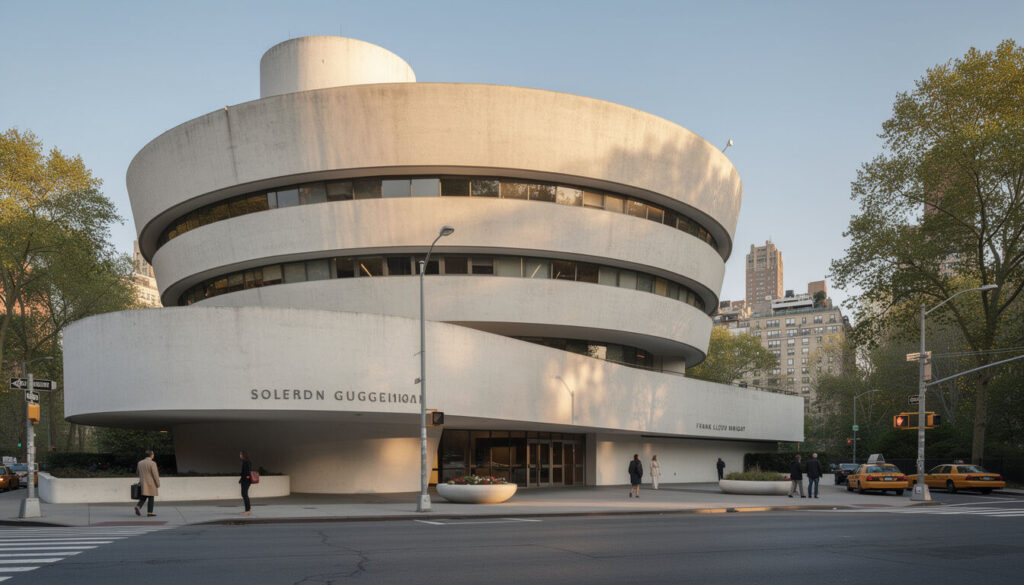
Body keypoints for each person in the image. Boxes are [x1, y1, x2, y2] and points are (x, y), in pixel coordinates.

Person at [134, 450, 160, 516]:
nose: (153, 455)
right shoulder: (152, 463)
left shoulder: (140, 463)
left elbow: (137, 473)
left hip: (143, 482)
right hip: (151, 483)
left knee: (144, 496)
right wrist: (158, 483)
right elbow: (155, 475)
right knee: (151, 497)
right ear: (151, 455)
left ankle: (138, 507)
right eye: (153, 454)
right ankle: (149, 513)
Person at [239, 450, 253, 515]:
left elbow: (247, 472)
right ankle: (248, 509)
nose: (240, 455)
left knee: (244, 494)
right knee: (244, 494)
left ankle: (248, 510)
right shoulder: (246, 461)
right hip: (245, 480)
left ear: (244, 455)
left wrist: (246, 478)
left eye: (241, 454)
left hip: (246, 481)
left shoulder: (246, 462)